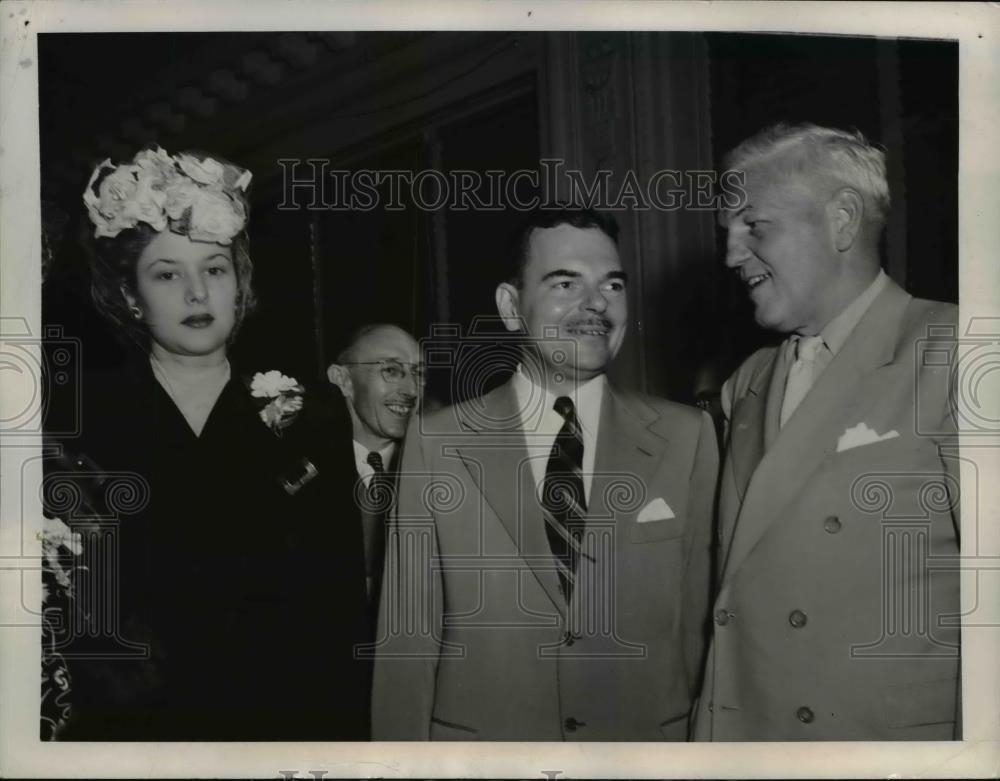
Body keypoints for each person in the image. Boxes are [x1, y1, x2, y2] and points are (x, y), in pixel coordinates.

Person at [51, 146, 369, 740]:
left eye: (215, 269)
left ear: (238, 284)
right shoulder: (80, 427)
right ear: (129, 296)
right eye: (168, 273)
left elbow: (339, 610)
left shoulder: (311, 419)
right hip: (139, 736)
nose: (197, 294)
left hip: (281, 727)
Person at [371, 206, 718, 741]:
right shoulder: (437, 441)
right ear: (511, 307)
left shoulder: (689, 437)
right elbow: (406, 647)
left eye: (613, 284)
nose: (597, 304)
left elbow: (702, 639)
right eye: (565, 282)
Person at [693, 123, 960, 741]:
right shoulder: (747, 383)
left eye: (753, 226)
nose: (731, 254)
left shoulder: (956, 351)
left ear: (842, 220)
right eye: (726, 233)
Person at [326, 323, 423, 616]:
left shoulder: (438, 474)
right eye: (391, 371)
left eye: (418, 373)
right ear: (343, 379)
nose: (411, 390)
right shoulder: (300, 475)